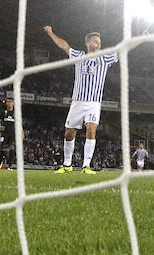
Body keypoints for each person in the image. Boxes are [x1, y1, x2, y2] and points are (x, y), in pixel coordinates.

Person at [44, 26, 118, 175]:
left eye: (99, 42)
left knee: (91, 130)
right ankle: (67, 165)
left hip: (94, 103)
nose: (98, 44)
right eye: (95, 41)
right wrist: (52, 33)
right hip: (77, 102)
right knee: (69, 134)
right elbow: (64, 46)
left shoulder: (105, 58)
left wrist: (139, 39)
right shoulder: (79, 56)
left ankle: (86, 166)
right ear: (88, 43)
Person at [0, 98, 16, 169]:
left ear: (13, 103)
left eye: (11, 102)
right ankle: (0, 160)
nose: (9, 103)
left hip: (12, 132)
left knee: (12, 147)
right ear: (6, 103)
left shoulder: (16, 113)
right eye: (8, 102)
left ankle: (9, 166)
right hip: (4, 133)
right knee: (2, 147)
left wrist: (21, 132)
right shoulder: (2, 112)